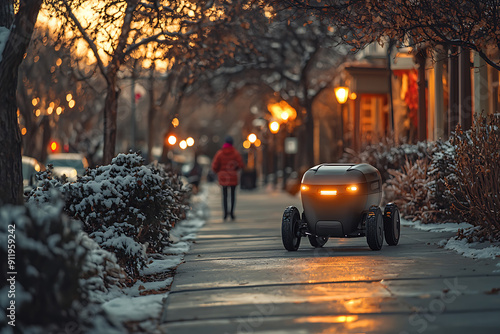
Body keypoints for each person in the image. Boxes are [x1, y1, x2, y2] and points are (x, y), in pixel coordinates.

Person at [212, 136, 245, 221]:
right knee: (233, 195)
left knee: (225, 196)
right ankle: (232, 213)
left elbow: (215, 166)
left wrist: (218, 172)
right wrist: (235, 169)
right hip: (233, 177)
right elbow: (241, 164)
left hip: (223, 178)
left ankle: (225, 214)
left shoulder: (220, 153)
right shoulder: (235, 153)